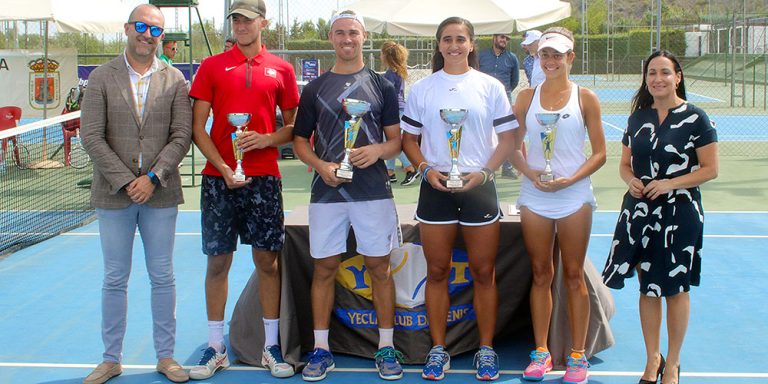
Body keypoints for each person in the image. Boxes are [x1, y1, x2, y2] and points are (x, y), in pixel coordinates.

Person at [187, 0, 300, 380]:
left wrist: (266, 139)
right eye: (235, 19)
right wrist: (222, 167)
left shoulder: (282, 69)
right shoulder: (211, 66)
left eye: (247, 20)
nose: (240, 26)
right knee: (218, 262)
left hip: (265, 178)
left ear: (262, 23)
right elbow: (197, 127)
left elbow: (294, 128)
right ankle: (216, 347)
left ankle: (270, 346)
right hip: (219, 180)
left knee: (267, 262)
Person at [80, 4, 192, 384]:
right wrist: (128, 180)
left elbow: (181, 136)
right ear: (127, 28)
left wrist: (153, 178)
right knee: (115, 278)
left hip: (160, 195)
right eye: (141, 26)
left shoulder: (176, 79)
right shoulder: (100, 77)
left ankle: (166, 356)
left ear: (162, 35)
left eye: (155, 29)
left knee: (163, 276)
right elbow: (91, 136)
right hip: (114, 195)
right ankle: (111, 359)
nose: (147, 34)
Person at [401, 16, 516, 382]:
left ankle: (485, 349)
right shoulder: (422, 89)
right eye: (447, 39)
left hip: (479, 187)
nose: (454, 45)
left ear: (471, 44)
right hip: (435, 187)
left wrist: (485, 172)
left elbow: (509, 140)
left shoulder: (491, 86)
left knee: (484, 272)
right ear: (438, 45)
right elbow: (408, 140)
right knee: (436, 272)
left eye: (460, 39)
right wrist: (424, 170)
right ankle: (439, 349)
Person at [292, 10, 404, 382]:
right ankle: (321, 350)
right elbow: (298, 142)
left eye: (353, 33)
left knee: (379, 269)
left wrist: (376, 152)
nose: (347, 39)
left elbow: (395, 141)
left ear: (364, 37)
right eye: (340, 33)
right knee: (324, 268)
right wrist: (322, 166)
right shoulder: (314, 88)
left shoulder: (382, 85)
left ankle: (385, 347)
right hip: (328, 192)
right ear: (331, 39)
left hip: (372, 191)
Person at [602, 50, 718, 384]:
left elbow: (711, 169)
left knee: (676, 288)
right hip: (640, 212)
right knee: (648, 287)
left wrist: (670, 184)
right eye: (651, 73)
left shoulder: (696, 118)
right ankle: (653, 358)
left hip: (680, 212)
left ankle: (673, 364)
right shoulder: (638, 118)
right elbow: (624, 165)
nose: (657, 79)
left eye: (664, 72)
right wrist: (631, 181)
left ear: (677, 76)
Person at [510, 27, 606, 384]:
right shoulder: (525, 98)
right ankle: (541, 352)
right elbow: (511, 147)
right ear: (538, 58)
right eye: (545, 55)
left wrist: (571, 179)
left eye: (557, 55)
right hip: (535, 194)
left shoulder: (586, 98)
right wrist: (531, 173)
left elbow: (600, 153)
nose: (550, 61)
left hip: (574, 195)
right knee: (540, 273)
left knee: (573, 274)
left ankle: (577, 355)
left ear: (570, 58)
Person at [478, 33, 519, 179]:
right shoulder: (481, 56)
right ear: (494, 38)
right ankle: (487, 166)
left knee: (506, 133)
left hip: (504, 98)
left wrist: (503, 93)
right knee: (485, 131)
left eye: (507, 38)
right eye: (502, 37)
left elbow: (514, 80)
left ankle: (507, 168)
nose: (504, 40)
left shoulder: (512, 58)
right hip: (482, 97)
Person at [381, 40, 419, 186]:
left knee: (392, 142)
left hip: (394, 111)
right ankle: (389, 172)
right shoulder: (398, 71)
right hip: (400, 110)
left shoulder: (390, 74)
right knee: (392, 140)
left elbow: (389, 95)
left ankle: (410, 168)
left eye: (381, 54)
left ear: (386, 56)